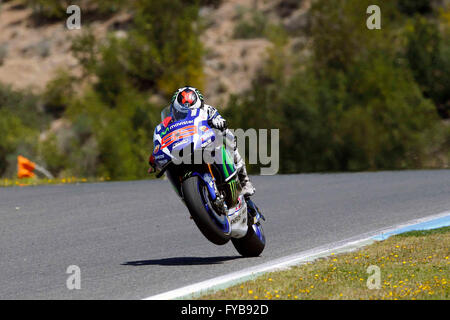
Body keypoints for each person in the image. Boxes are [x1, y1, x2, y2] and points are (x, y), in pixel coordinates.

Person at [149, 86, 255, 197]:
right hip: (182, 149)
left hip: (204, 142)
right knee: (170, 170)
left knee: (228, 136)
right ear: (174, 109)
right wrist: (155, 157)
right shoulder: (167, 122)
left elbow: (218, 118)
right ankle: (191, 203)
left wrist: (219, 122)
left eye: (191, 111)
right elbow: (159, 140)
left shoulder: (207, 110)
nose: (186, 115)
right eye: (182, 113)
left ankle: (244, 180)